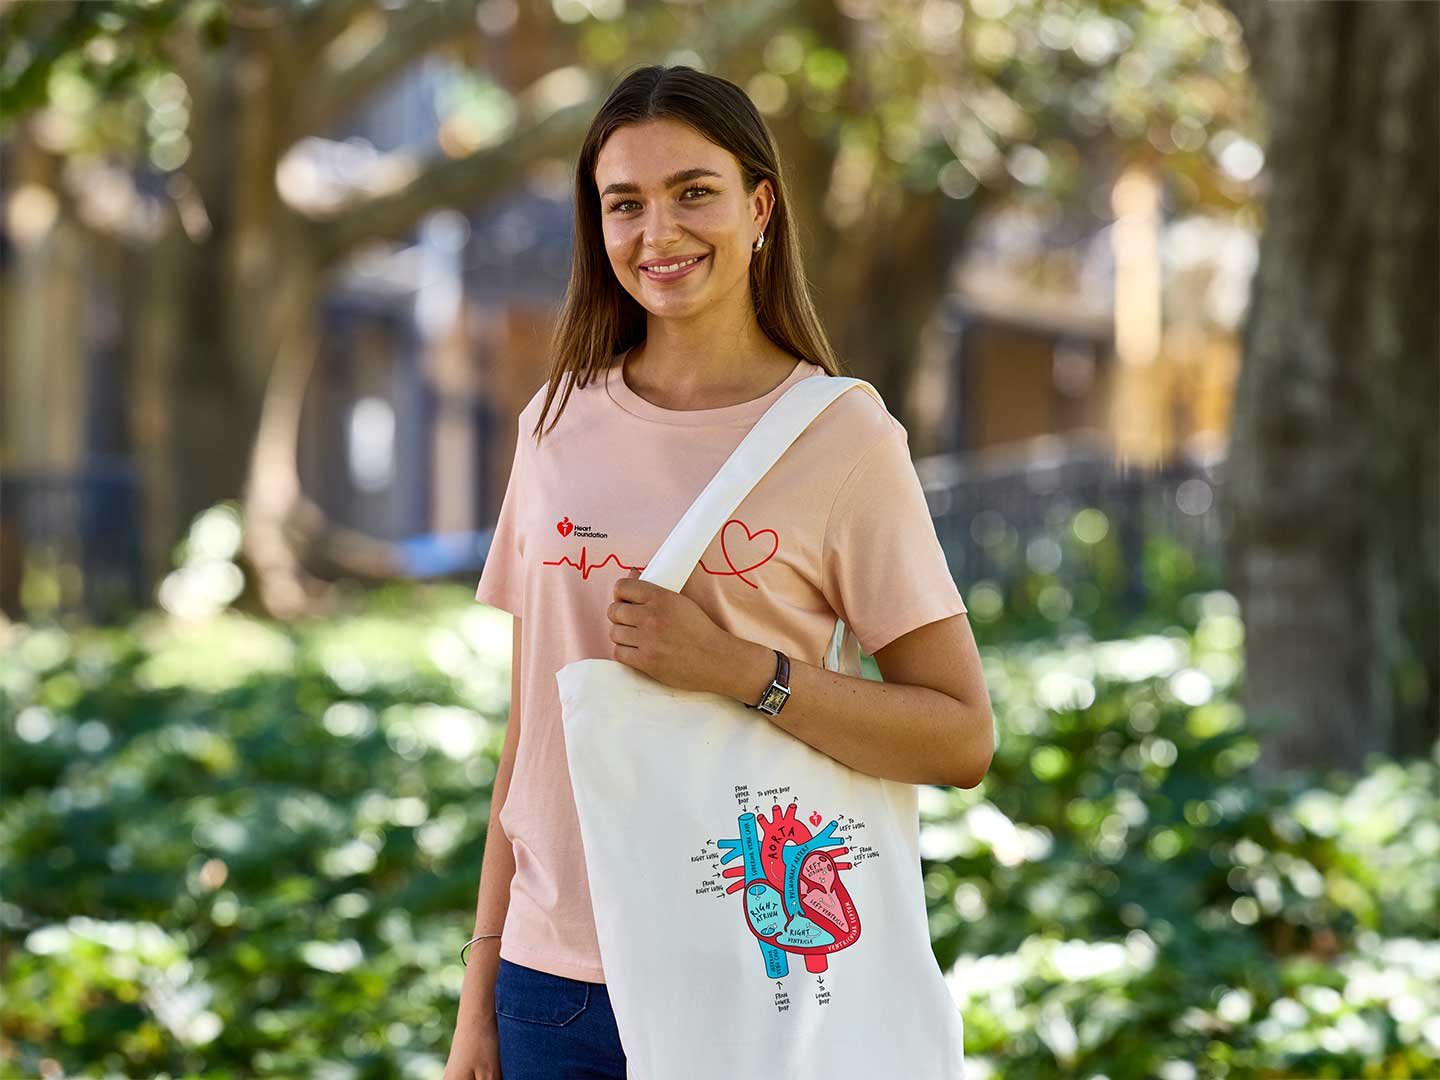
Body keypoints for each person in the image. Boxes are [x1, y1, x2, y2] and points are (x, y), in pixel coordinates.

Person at [444, 63, 993, 1080]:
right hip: (554, 989)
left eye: (694, 191)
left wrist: (742, 670)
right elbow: (531, 736)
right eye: (625, 204)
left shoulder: (841, 439)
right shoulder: (555, 426)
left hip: (751, 978)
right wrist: (481, 995)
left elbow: (961, 735)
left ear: (760, 206)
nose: (659, 232)